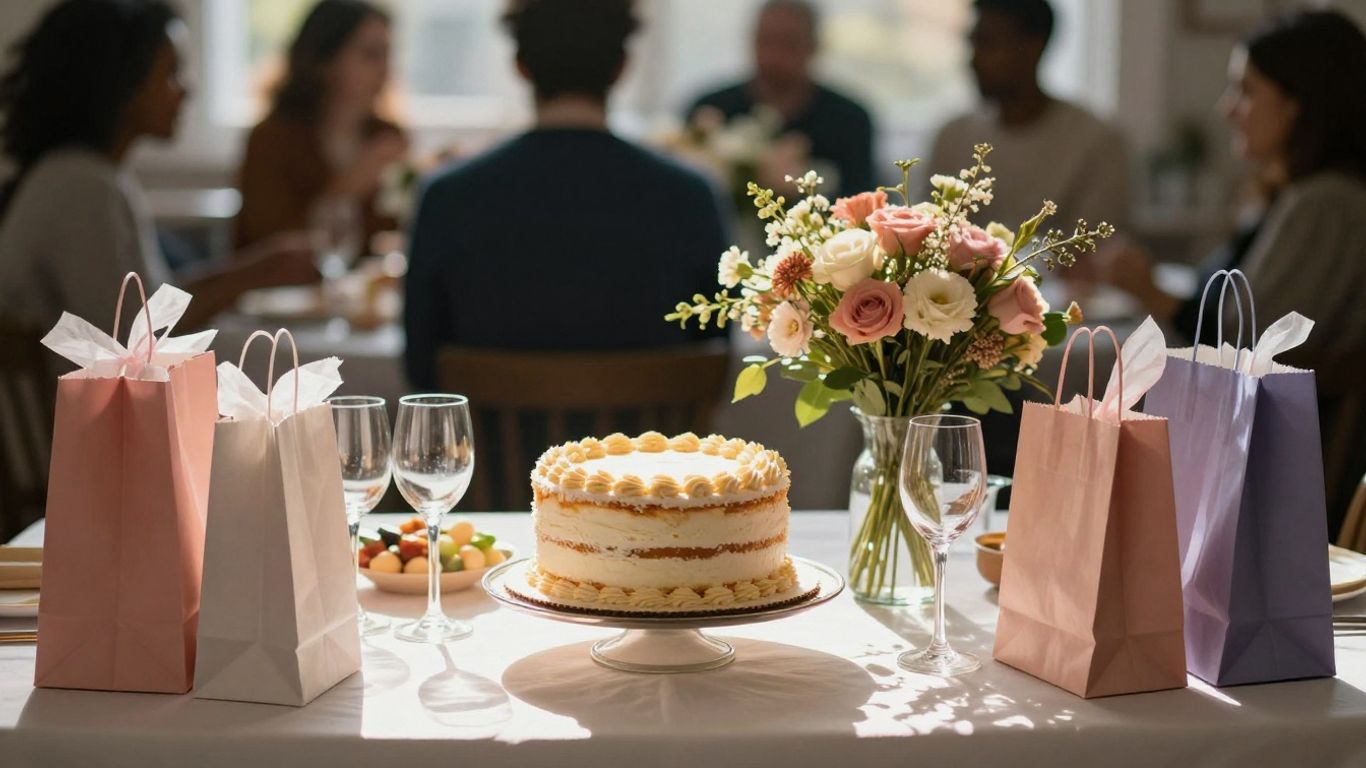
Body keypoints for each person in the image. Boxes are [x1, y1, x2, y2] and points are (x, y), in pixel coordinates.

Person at [403, 0, 729, 391]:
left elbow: (421, 370)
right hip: (646, 451)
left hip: (494, 450)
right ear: (622, 67)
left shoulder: (447, 197)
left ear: (520, 65)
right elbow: (718, 358)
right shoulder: (689, 197)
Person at [0, 0, 316, 332]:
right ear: (122, 81)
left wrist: (254, 271)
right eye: (171, 73)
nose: (186, 90)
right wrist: (255, 274)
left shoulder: (78, 173)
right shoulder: (82, 186)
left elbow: (142, 304)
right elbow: (133, 337)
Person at [927, 0, 1130, 233]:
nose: (973, 60)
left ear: (1034, 47)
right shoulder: (953, 137)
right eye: (973, 43)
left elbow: (1093, 247)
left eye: (989, 43)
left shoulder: (1098, 144)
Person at [234, 0, 405, 254]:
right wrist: (348, 186)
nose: (385, 70)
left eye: (387, 54)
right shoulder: (271, 140)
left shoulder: (387, 137)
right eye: (370, 54)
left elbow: (395, 238)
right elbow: (267, 246)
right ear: (325, 60)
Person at [686, 0, 874, 198]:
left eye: (789, 43)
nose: (774, 55)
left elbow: (860, 202)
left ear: (814, 46)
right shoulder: (710, 110)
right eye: (766, 41)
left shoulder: (849, 121)